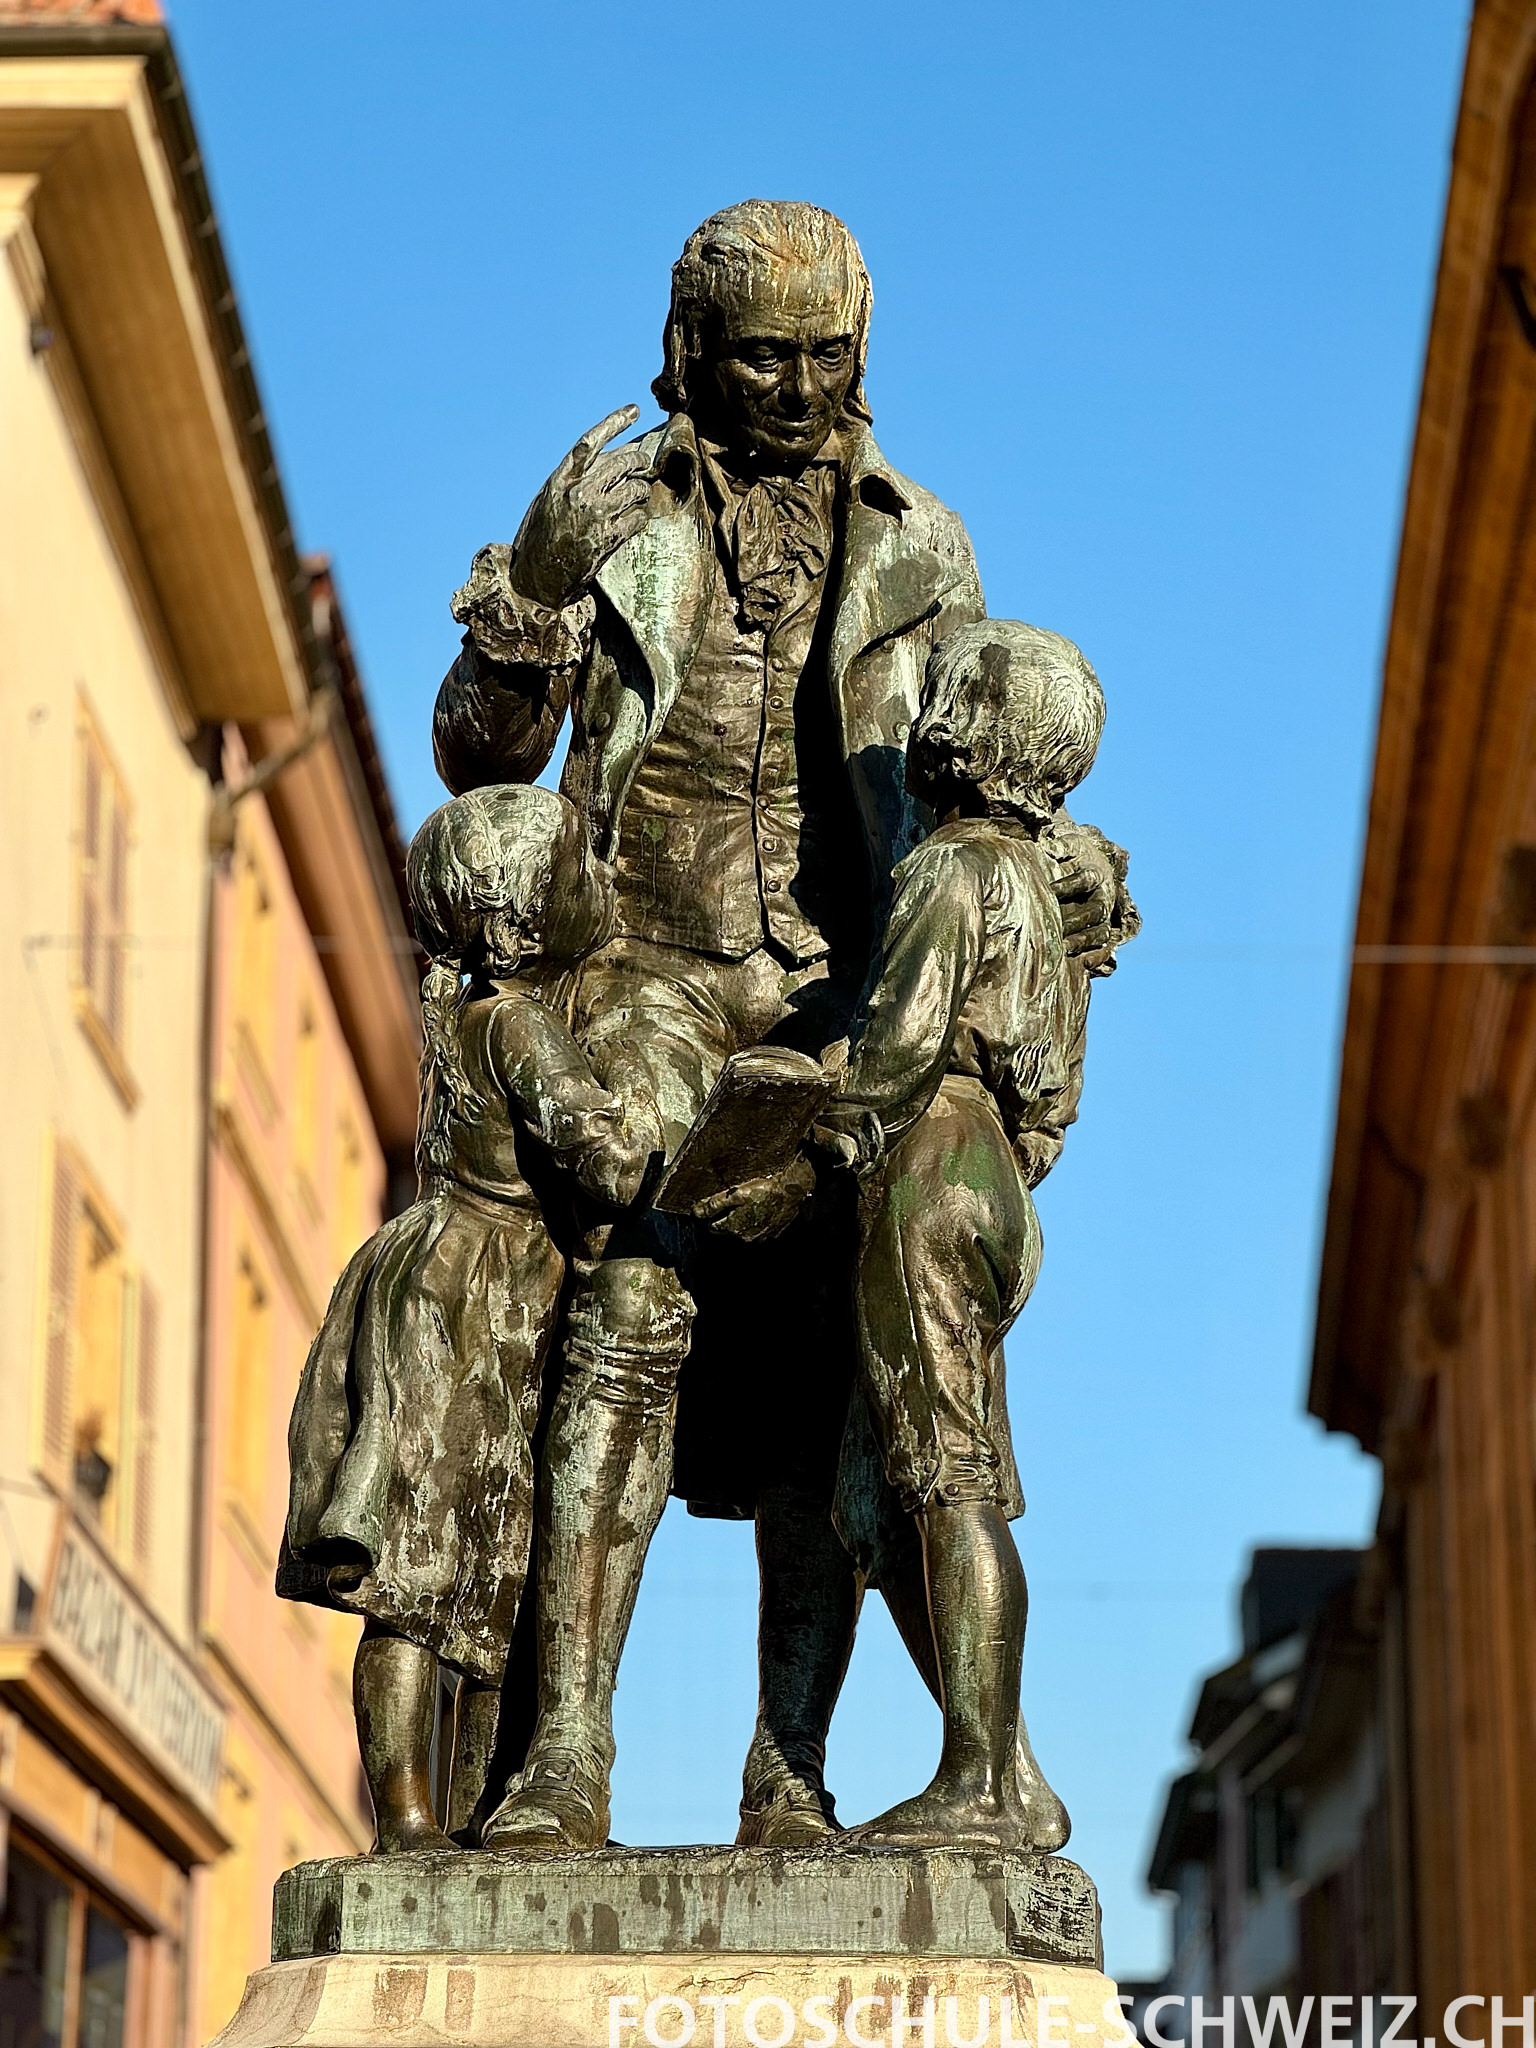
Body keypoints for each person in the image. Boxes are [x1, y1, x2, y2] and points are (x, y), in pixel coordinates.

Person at [435, 199, 1125, 1851]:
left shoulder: (923, 541)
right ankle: (563, 1758)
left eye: (832, 356)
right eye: (765, 357)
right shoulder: (609, 517)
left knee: (834, 1367)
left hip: (841, 983)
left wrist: (1061, 890)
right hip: (652, 973)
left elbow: (987, 764)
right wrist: (532, 588)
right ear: (688, 353)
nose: (803, 387)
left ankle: (790, 1775)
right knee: (638, 1304)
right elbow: (478, 753)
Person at [276, 785, 662, 1854]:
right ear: (518, 924)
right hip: (471, 1297)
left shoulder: (454, 1018)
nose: (600, 884)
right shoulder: (521, 1021)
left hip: (427, 1275)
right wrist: (662, 1133)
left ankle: (424, 1815)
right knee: (435, 1569)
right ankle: (411, 1818)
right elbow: (603, 1150)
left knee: (445, 1570)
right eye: (581, 871)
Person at [819, 619, 1135, 1850]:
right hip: (995, 1174)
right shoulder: (1051, 906)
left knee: (945, 1481)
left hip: (928, 1167)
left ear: (970, 728)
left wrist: (799, 1109)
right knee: (885, 1496)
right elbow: (1052, 1101)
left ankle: (980, 1782)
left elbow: (893, 1053)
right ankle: (1012, 1764)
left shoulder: (952, 869)